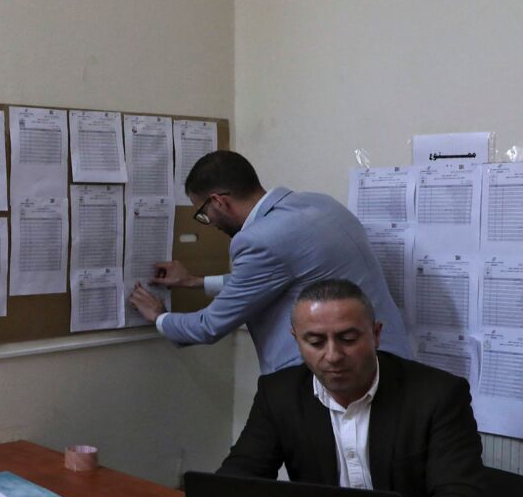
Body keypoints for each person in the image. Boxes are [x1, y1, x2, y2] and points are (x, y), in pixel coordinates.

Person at [217, 279, 507, 497]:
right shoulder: (279, 394)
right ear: (296, 339)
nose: (333, 355)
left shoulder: (437, 395)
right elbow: (238, 478)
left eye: (348, 338)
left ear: (376, 334)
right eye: (315, 342)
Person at [128, 150, 411, 373]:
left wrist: (158, 316)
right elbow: (284, 278)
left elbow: (209, 326)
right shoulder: (320, 204)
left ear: (218, 202)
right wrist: (194, 282)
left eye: (203, 213)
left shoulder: (259, 239)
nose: (208, 223)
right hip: (386, 360)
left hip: (334, 375)